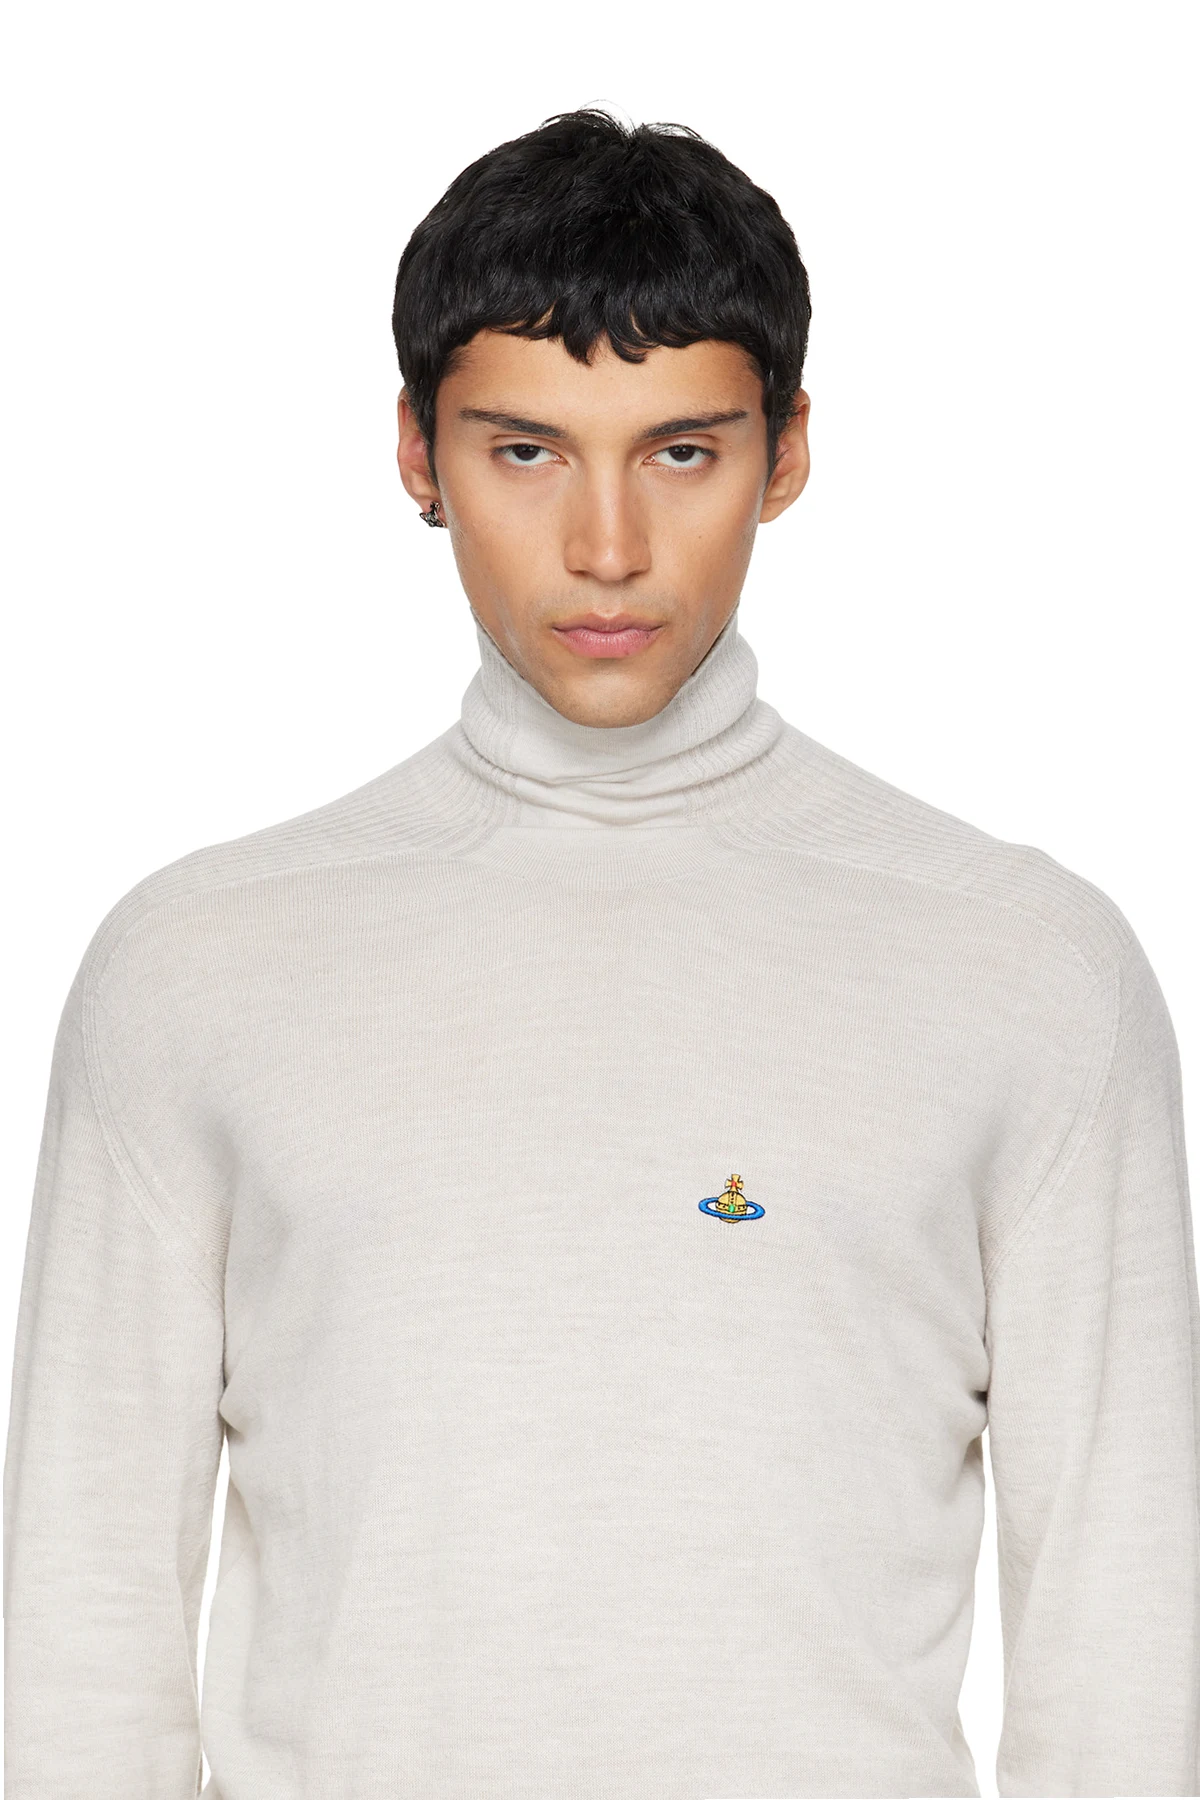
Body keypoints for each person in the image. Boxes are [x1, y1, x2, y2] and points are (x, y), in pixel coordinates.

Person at [3, 107, 1197, 1800]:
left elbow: (1121, 1641)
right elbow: (84, 1623)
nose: (609, 547)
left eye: (683, 451)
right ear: (417, 455)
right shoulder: (196, 967)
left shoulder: (1027, 967)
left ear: (788, 452)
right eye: (526, 451)